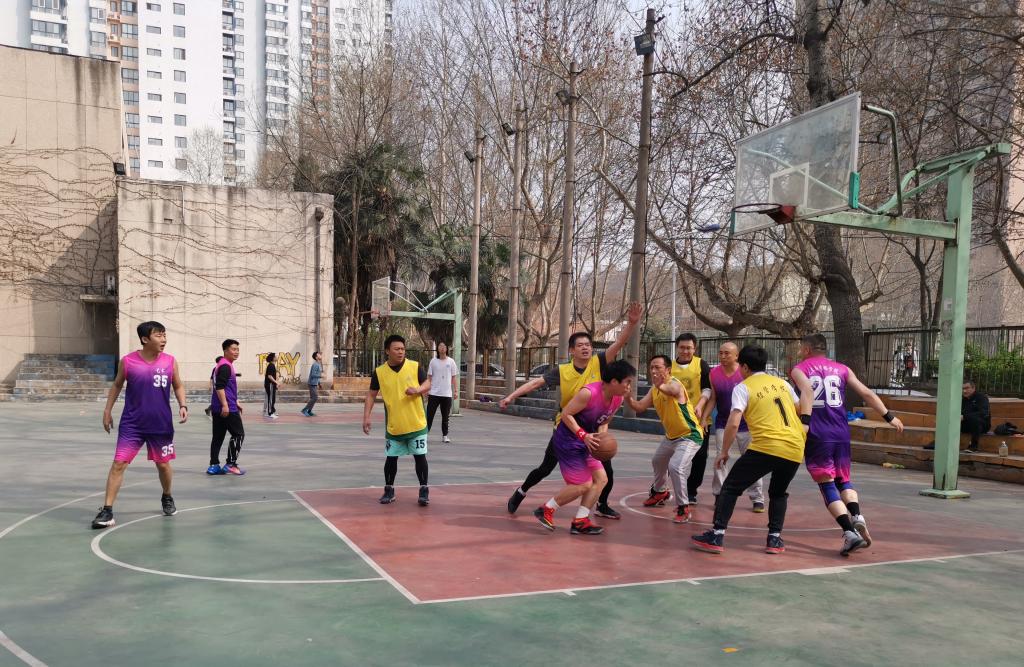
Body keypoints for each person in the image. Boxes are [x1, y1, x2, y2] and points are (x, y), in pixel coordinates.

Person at [500, 303, 642, 519]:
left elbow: (619, 343)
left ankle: (601, 505)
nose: (586, 348)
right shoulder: (563, 370)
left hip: (592, 426)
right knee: (546, 468)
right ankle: (521, 491)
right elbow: (535, 383)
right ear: (571, 350)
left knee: (606, 470)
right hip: (567, 425)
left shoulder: (599, 362)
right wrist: (511, 396)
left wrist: (631, 324)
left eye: (588, 345)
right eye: (580, 345)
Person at [790, 333, 905, 556]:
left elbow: (807, 392)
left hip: (818, 434)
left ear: (807, 350)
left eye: (800, 348)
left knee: (826, 483)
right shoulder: (842, 369)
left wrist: (805, 422)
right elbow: (866, 393)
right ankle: (857, 515)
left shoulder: (799, 369)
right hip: (841, 433)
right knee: (844, 480)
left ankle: (849, 533)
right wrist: (889, 417)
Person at [692, 344, 808, 555]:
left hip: (766, 446)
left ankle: (717, 535)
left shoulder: (743, 387)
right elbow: (800, 408)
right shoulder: (782, 384)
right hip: (794, 447)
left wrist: (724, 451)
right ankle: (774, 539)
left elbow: (733, 422)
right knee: (778, 493)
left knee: (730, 488)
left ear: (744, 367)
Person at [92, 321, 187, 529]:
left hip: (160, 424)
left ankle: (167, 496)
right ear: (145, 339)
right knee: (118, 464)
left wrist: (183, 405)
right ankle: (107, 510)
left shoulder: (170, 362)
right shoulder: (128, 362)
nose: (164, 339)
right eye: (158, 335)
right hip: (132, 425)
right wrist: (107, 411)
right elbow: (117, 384)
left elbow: (178, 385)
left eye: (164, 335)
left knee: (163, 465)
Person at [535, 360, 637, 535]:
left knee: (601, 479)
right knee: (582, 484)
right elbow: (566, 414)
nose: (629, 387)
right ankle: (546, 509)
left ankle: (580, 521)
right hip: (567, 440)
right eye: (627, 382)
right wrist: (583, 435)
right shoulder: (589, 393)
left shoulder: (618, 398)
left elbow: (604, 421)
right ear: (614, 381)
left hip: (588, 441)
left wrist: (601, 438)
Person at [627, 355, 703, 524]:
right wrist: (627, 397)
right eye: (651, 367)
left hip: (689, 435)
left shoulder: (675, 384)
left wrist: (659, 385)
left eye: (658, 367)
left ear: (668, 370)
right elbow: (639, 407)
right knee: (658, 461)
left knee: (675, 466)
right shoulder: (654, 389)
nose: (653, 371)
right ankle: (660, 492)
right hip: (671, 437)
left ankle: (683, 507)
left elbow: (672, 391)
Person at [363, 335, 432, 506]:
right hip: (394, 425)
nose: (401, 352)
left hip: (416, 423)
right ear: (388, 351)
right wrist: (366, 417)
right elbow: (371, 395)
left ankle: (424, 490)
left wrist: (418, 390)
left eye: (402, 349)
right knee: (391, 458)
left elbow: (427, 383)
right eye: (397, 349)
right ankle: (389, 490)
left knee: (420, 457)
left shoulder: (414, 366)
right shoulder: (379, 372)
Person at [708, 342, 765, 512]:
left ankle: (757, 498)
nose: (723, 356)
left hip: (747, 425)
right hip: (723, 423)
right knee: (720, 457)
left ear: (736, 356)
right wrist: (704, 418)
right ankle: (720, 494)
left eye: (727, 353)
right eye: (720, 353)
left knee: (752, 461)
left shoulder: (744, 373)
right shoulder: (714, 373)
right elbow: (713, 398)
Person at [671, 333, 712, 504]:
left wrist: (701, 407)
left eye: (689, 348)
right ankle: (660, 488)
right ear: (677, 348)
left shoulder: (701, 364)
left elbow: (707, 389)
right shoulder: (670, 367)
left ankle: (691, 490)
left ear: (694, 348)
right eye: (682, 347)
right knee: (671, 457)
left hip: (698, 418)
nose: (685, 351)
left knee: (700, 456)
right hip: (676, 420)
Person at [209, 339, 246, 476]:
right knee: (238, 434)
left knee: (218, 437)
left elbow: (227, 387)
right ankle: (230, 464)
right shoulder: (225, 366)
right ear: (225, 351)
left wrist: (235, 401)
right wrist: (226, 405)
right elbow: (220, 387)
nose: (236, 352)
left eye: (238, 349)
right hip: (227, 408)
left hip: (218, 406)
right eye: (233, 349)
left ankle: (213, 465)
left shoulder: (221, 365)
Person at [426, 342, 459, 443]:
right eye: (440, 346)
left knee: (445, 417)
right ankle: (424, 435)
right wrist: (427, 389)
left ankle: (445, 436)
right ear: (438, 349)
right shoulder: (433, 361)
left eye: (444, 346)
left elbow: (454, 378)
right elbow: (429, 377)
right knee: (429, 416)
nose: (442, 348)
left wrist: (456, 391)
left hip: (446, 394)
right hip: (434, 393)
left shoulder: (451, 362)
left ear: (447, 348)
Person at [961, 380, 990, 453]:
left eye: (967, 388)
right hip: (966, 425)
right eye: (963, 389)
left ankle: (974, 446)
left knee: (975, 419)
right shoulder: (962, 399)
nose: (964, 391)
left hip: (982, 425)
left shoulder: (982, 397)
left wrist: (965, 417)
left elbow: (983, 413)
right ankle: (939, 442)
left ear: (973, 388)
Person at [302, 351, 323, 417]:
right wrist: (321, 376)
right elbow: (313, 374)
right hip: (312, 383)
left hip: (314, 383)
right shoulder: (315, 365)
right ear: (316, 357)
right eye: (319, 354)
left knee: (313, 398)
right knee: (315, 397)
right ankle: (305, 410)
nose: (320, 355)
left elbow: (316, 374)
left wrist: (319, 383)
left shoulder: (318, 364)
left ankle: (309, 411)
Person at [204, 355, 223, 420]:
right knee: (218, 400)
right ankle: (210, 409)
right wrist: (210, 386)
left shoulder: (222, 368)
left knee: (219, 400)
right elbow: (212, 378)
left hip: (220, 387)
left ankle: (209, 409)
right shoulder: (216, 369)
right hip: (217, 387)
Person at [263, 352, 281, 419]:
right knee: (270, 399)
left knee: (271, 399)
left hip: (271, 384)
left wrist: (276, 383)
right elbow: (269, 376)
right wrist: (276, 382)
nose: (277, 357)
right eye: (275, 356)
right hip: (270, 384)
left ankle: (271, 412)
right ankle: (270, 413)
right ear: (273, 358)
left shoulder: (272, 365)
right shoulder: (271, 365)